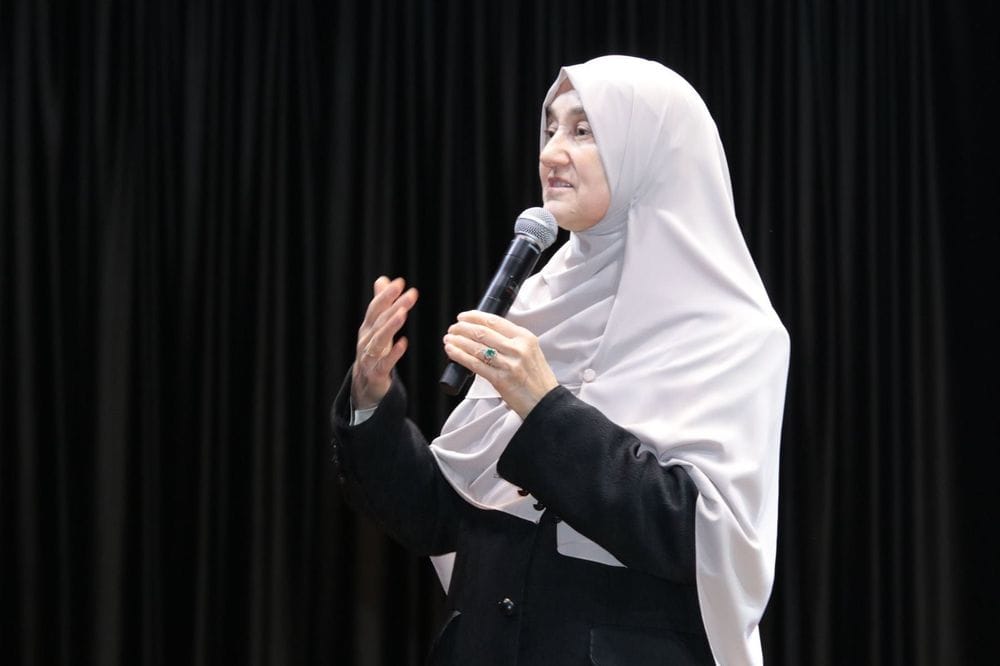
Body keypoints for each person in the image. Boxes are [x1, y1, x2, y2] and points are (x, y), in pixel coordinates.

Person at [330, 55, 790, 665]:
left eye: (583, 130)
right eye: (549, 128)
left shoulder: (732, 330)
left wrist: (545, 407)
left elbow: (692, 537)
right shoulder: (535, 302)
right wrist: (371, 402)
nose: (550, 153)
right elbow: (438, 520)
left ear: (650, 153)